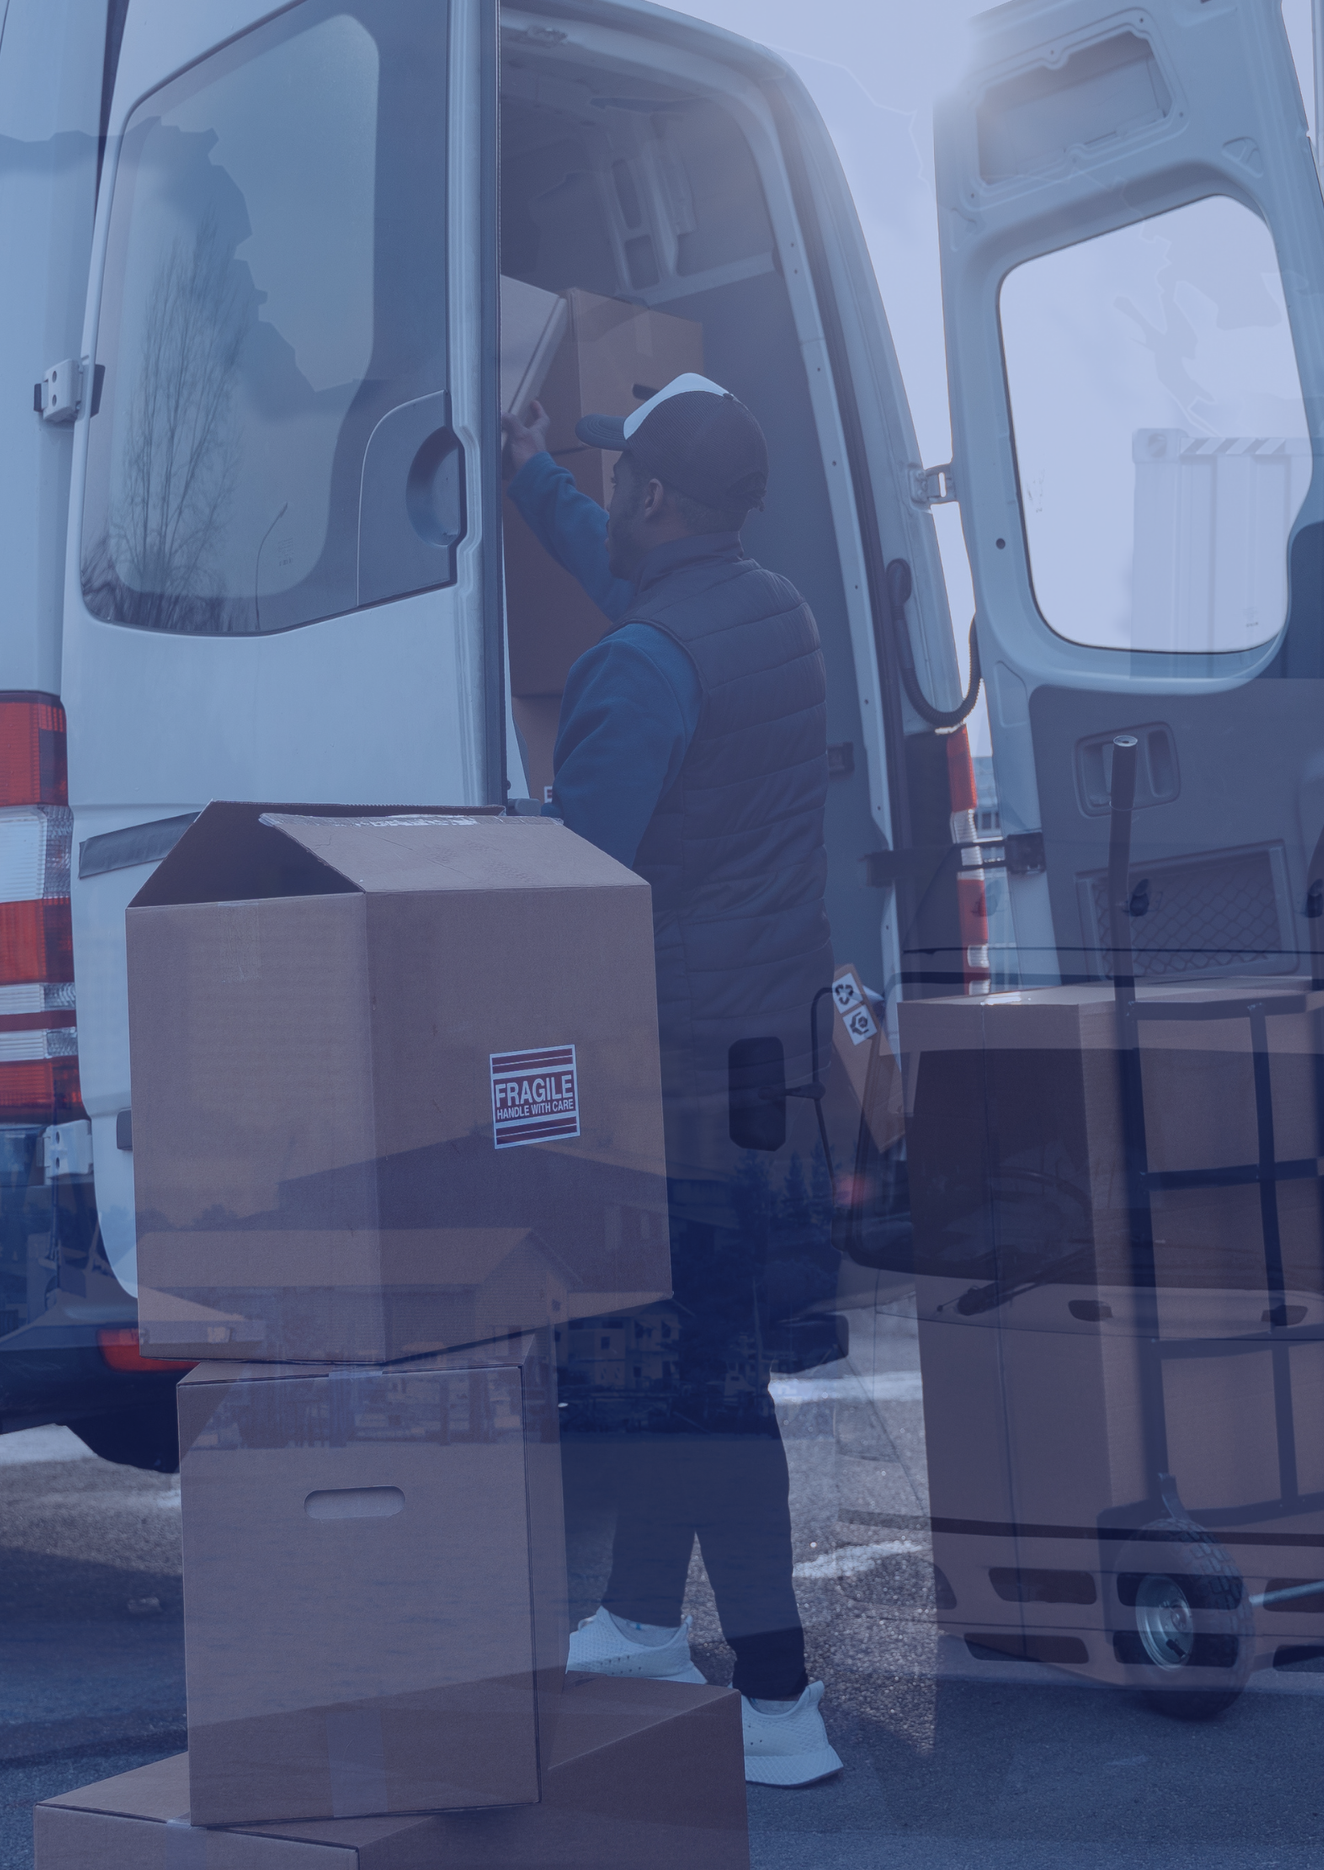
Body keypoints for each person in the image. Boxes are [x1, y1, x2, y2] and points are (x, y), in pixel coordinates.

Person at [501, 370, 843, 1789]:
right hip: (767, 1075)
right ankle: (642, 1618)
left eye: (619, 484)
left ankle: (781, 1701)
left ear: (653, 494)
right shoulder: (777, 617)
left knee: (707, 1392)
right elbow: (641, 587)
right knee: (683, 1364)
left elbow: (576, 888)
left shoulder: (640, 667)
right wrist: (533, 479)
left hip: (675, 1082)